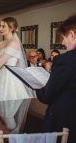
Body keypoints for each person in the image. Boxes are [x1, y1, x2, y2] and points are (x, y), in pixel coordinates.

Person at [0, 17, 35, 132]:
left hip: (12, 82)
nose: (0, 28)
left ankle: (13, 137)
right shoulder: (1, 43)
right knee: (0, 110)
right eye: (0, 26)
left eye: (3, 26)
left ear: (12, 28)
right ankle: (5, 133)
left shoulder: (14, 44)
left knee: (7, 114)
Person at [36, 15, 76, 143]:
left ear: (72, 34)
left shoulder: (65, 60)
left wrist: (37, 86)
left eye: (63, 38)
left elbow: (47, 96)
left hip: (65, 119)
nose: (63, 42)